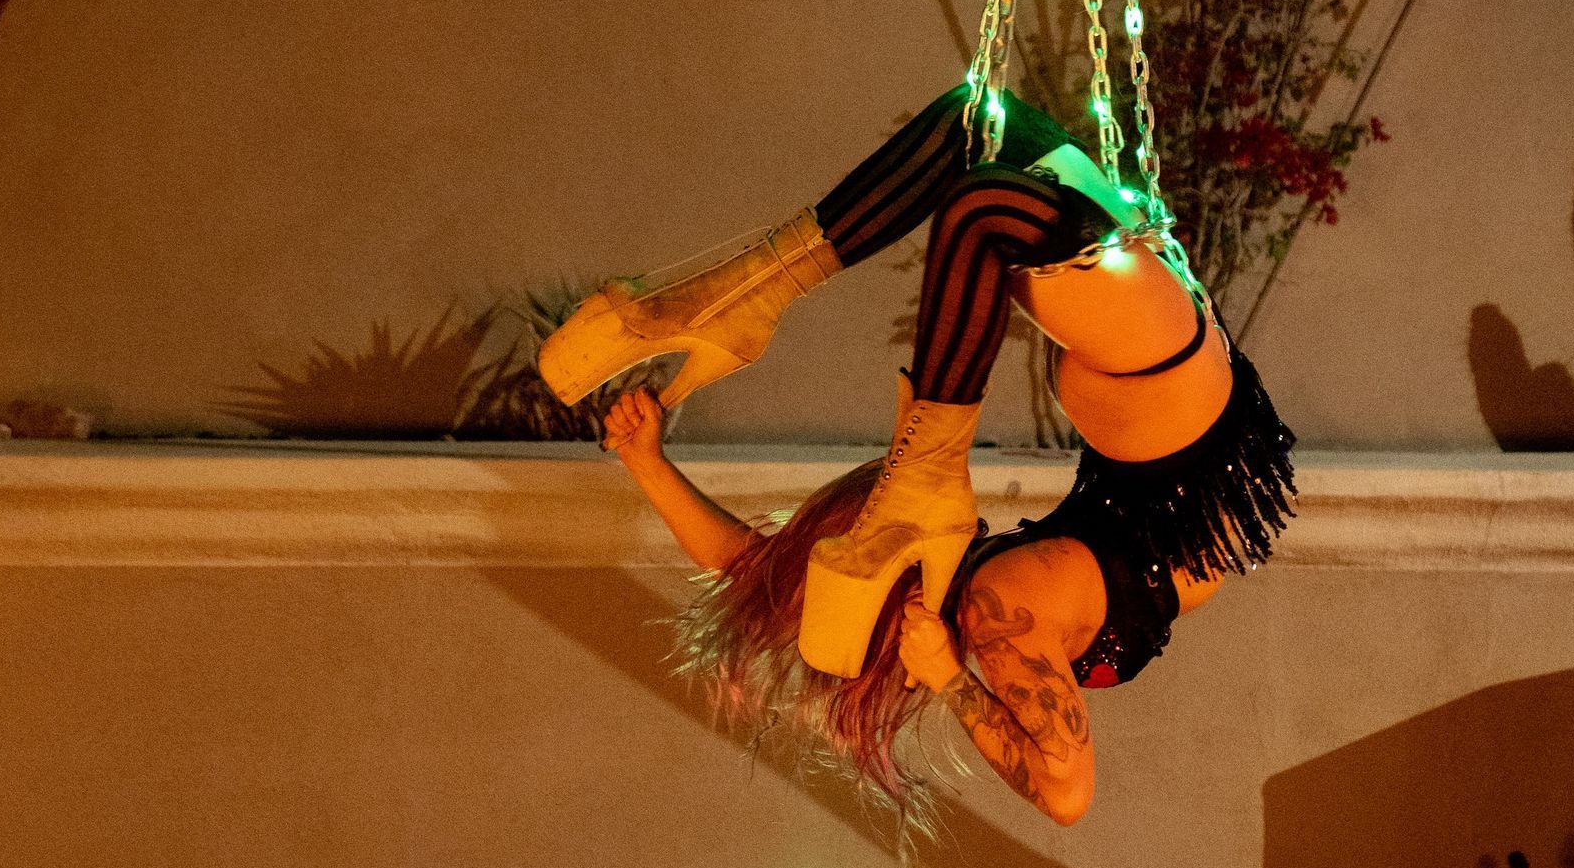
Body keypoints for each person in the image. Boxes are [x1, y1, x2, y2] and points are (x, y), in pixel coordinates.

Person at [539, 85, 1294, 824]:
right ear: (886, 590)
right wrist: (949, 682)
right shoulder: (999, 614)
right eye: (861, 539)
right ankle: (777, 332)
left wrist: (645, 460)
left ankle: (742, 298)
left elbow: (745, 564)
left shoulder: (978, 590)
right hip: (1174, 418)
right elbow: (1068, 795)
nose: (850, 527)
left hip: (1163, 407)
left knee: (971, 122)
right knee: (982, 210)